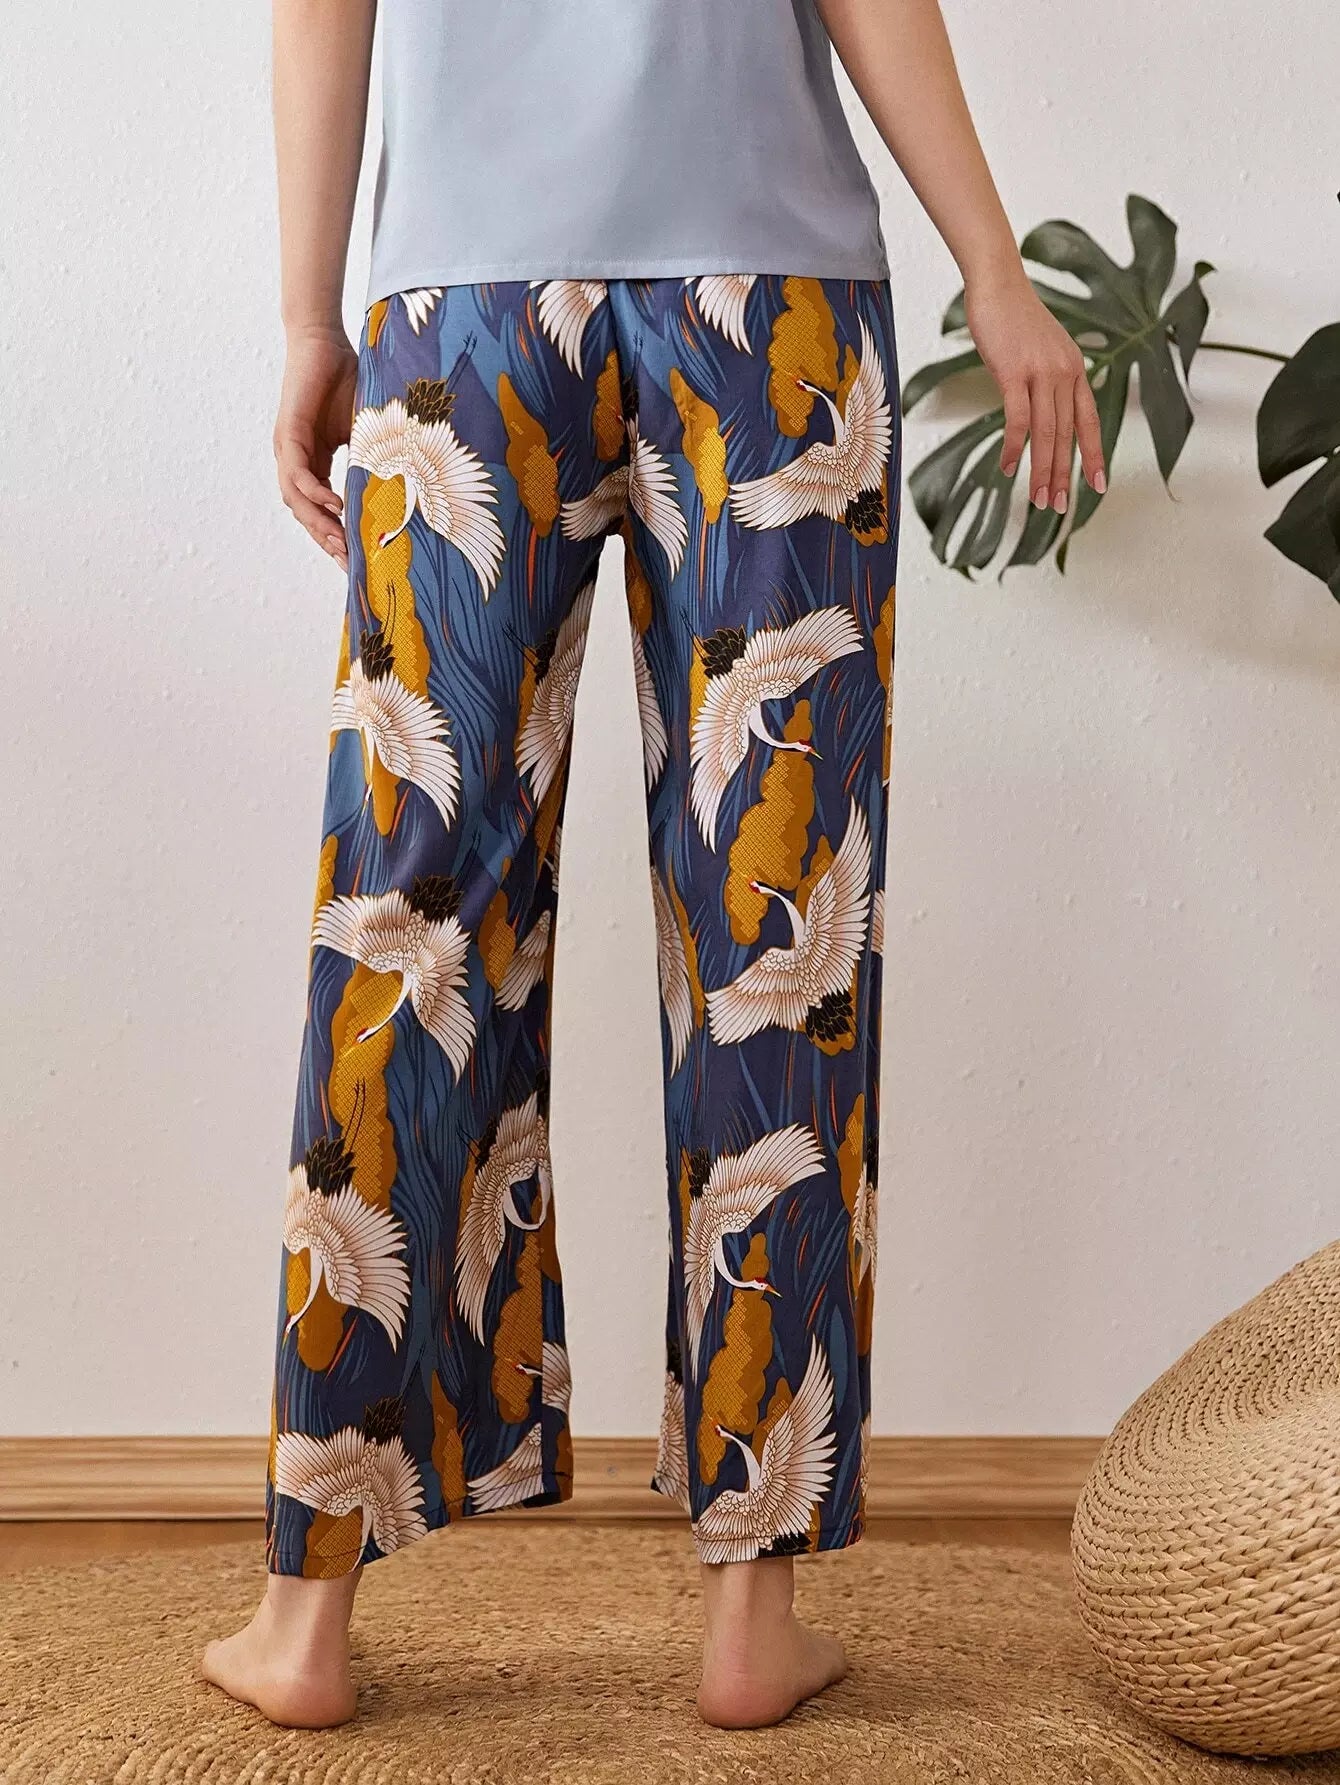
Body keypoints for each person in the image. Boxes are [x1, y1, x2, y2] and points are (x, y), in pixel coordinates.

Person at [202, 0, 1105, 1736]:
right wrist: (991, 267)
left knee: (409, 926)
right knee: (778, 935)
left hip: (467, 313)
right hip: (769, 309)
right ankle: (751, 1616)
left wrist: (312, 314)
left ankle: (305, 1616)